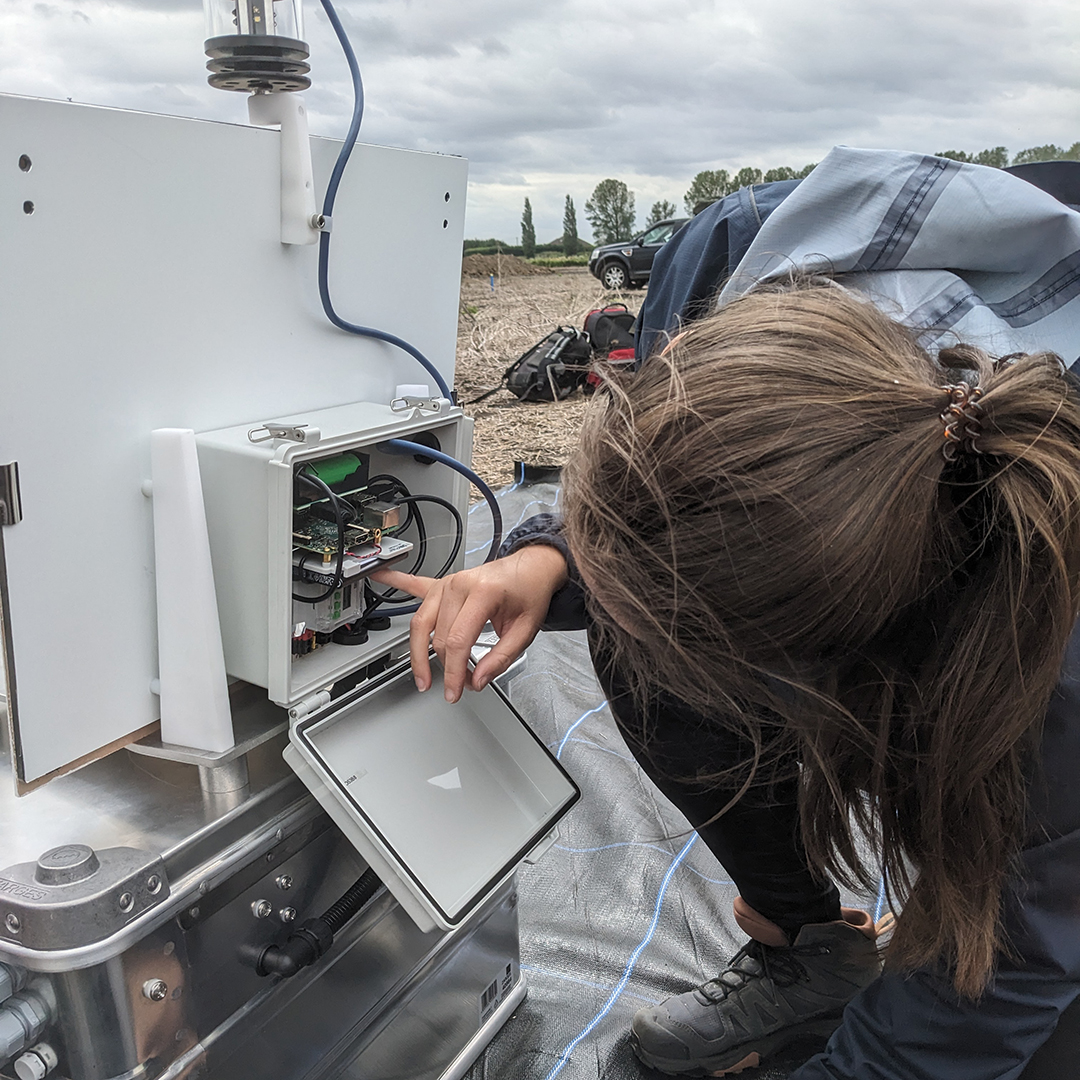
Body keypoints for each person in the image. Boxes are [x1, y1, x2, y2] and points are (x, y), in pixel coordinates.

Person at [374, 149, 1080, 1079]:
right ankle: (809, 950)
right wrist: (549, 554)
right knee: (638, 629)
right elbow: (692, 505)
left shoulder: (1052, 656)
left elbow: (1024, 956)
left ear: (857, 647)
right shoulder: (728, 261)